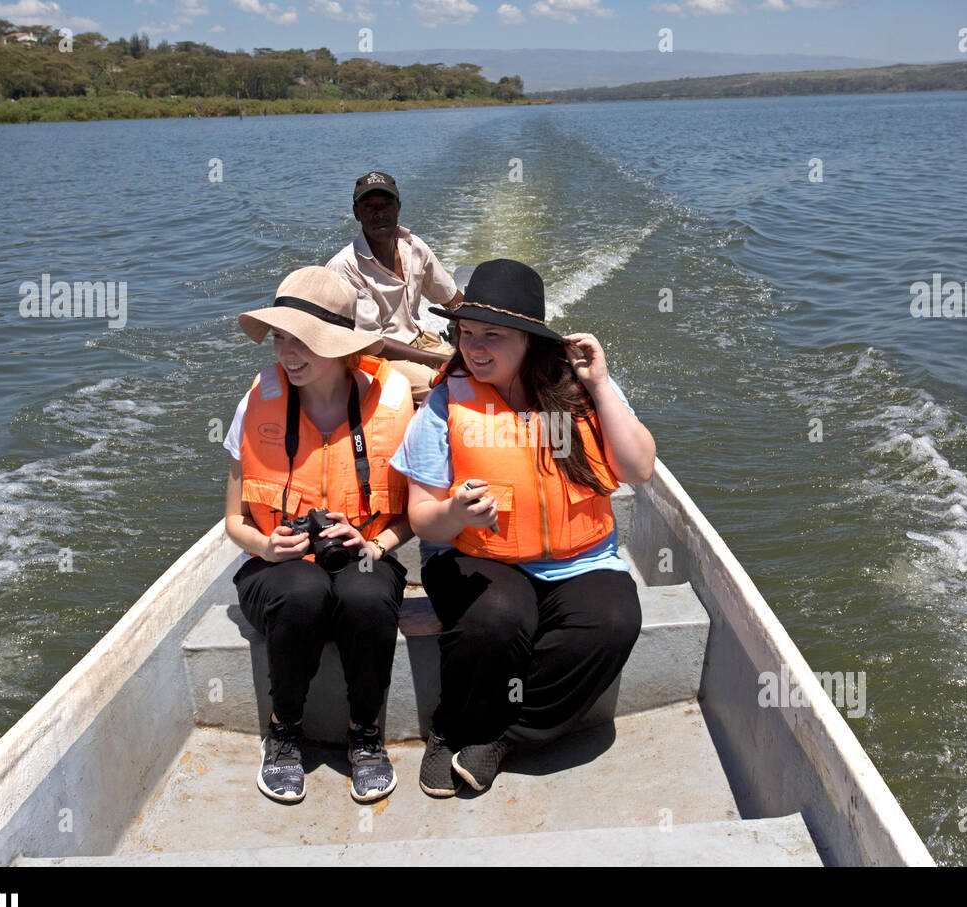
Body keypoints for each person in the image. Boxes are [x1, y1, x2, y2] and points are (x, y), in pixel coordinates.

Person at [390, 258, 657, 796]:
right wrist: (456, 514)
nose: (475, 347)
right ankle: (452, 727)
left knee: (613, 621)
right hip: (476, 554)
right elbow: (422, 516)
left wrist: (601, 384)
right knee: (499, 615)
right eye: (467, 334)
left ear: (530, 341)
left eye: (493, 335)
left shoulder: (579, 390)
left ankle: (501, 735)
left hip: (579, 559)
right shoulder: (445, 402)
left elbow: (639, 468)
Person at [222, 266, 415, 804]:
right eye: (281, 337)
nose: (287, 352)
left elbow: (411, 517)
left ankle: (365, 736)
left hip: (364, 556)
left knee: (365, 592)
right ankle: (284, 732)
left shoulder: (395, 405)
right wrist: (266, 546)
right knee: (304, 592)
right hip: (276, 568)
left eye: (303, 340)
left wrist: (374, 544)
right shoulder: (256, 400)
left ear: (342, 346)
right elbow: (234, 520)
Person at [325, 171, 464, 405]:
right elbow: (372, 344)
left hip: (422, 343)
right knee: (447, 385)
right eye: (369, 207)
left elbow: (452, 300)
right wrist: (435, 360)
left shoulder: (414, 246)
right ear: (356, 213)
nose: (379, 213)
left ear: (398, 207)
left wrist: (482, 328)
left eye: (386, 205)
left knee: (485, 369)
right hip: (377, 359)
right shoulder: (346, 267)